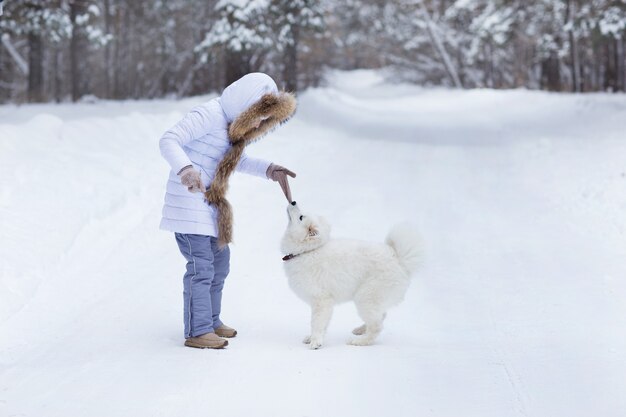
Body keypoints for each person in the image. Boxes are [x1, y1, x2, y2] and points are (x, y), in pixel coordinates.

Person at [159, 72, 296, 349]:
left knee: (220, 265)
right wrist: (186, 170)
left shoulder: (231, 129)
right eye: (258, 115)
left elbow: (238, 161)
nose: (259, 123)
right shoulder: (209, 114)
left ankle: (210, 320)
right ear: (245, 106)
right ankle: (197, 331)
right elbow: (169, 139)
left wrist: (269, 169)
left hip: (210, 204)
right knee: (201, 267)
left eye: (264, 119)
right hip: (188, 202)